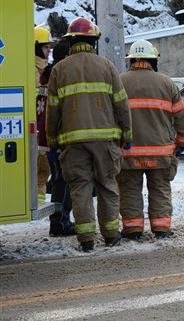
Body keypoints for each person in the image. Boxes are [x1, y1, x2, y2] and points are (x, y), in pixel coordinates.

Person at [46, 17, 132, 252]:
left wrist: (52, 142)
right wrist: (127, 134)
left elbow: (52, 111)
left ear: (71, 41)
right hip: (106, 142)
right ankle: (112, 235)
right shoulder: (107, 66)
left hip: (73, 143)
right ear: (93, 40)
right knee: (107, 186)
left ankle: (86, 240)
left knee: (80, 189)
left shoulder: (59, 70)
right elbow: (121, 104)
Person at [117, 39, 184, 241]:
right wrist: (182, 142)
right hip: (161, 152)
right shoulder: (167, 83)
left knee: (130, 190)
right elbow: (181, 117)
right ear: (152, 60)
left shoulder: (120, 82)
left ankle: (132, 230)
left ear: (132, 60)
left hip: (129, 152)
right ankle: (161, 230)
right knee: (159, 189)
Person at [39, 37, 76, 237]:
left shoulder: (48, 73)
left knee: (60, 179)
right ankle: (60, 222)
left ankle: (61, 220)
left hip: (46, 138)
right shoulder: (59, 75)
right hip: (57, 138)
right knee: (63, 180)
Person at [34, 25, 52, 204]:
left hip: (43, 127)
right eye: (46, 47)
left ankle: (38, 201)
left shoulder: (44, 70)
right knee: (38, 170)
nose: (48, 51)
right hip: (36, 127)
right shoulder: (32, 71)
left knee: (42, 172)